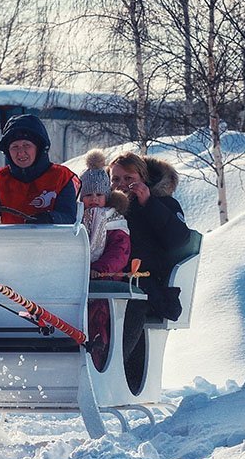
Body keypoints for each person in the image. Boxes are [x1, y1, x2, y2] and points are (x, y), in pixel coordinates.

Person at [108, 151, 192, 392]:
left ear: (143, 178)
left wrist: (149, 204)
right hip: (111, 280)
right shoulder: (108, 206)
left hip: (148, 284)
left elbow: (179, 240)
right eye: (116, 179)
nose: (122, 185)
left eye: (128, 178)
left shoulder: (164, 203)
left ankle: (113, 371)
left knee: (133, 305)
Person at [0, 114, 78, 225]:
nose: (20, 152)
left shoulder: (61, 177)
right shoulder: (0, 178)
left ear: (39, 148)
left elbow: (69, 216)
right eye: (15, 146)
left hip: (51, 242)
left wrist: (49, 218)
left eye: (26, 145)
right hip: (9, 242)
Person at [79, 150, 130, 369]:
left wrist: (99, 269)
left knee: (98, 317)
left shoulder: (114, 219)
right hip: (78, 278)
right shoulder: (76, 218)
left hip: (104, 279)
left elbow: (119, 252)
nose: (94, 200)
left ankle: (98, 359)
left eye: (99, 195)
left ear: (106, 196)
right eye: (89, 195)